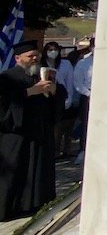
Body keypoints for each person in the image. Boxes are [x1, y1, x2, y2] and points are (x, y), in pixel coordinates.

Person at [0, 39, 59, 219]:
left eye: (36, 55)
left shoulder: (41, 76)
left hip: (39, 132)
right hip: (16, 135)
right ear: (18, 58)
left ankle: (37, 205)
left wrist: (53, 92)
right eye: (30, 56)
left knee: (39, 170)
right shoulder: (7, 77)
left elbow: (53, 105)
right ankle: (9, 209)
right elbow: (3, 104)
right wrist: (29, 92)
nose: (34, 58)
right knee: (14, 171)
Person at [72, 38, 95, 160]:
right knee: (86, 124)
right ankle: (83, 150)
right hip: (88, 96)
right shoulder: (83, 63)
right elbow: (78, 83)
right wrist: (89, 94)